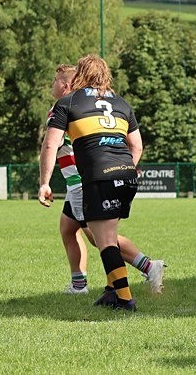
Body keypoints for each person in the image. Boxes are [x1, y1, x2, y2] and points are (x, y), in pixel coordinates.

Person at [39, 64, 165, 294]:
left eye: (55, 81)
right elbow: (135, 145)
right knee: (69, 228)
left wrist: (44, 182)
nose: (52, 85)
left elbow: (51, 144)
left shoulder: (64, 107)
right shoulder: (99, 105)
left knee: (101, 238)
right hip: (82, 181)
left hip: (83, 182)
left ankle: (146, 267)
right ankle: (80, 284)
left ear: (66, 85)